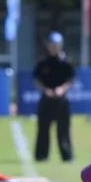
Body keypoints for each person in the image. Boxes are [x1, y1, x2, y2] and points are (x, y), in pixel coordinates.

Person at [33, 32, 75, 162]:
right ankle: (41, 156)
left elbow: (70, 80)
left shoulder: (66, 63)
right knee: (43, 129)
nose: (54, 48)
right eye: (51, 45)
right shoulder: (42, 62)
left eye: (56, 45)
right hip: (46, 100)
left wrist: (61, 89)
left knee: (63, 130)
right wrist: (45, 90)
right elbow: (36, 80)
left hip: (61, 100)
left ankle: (67, 156)